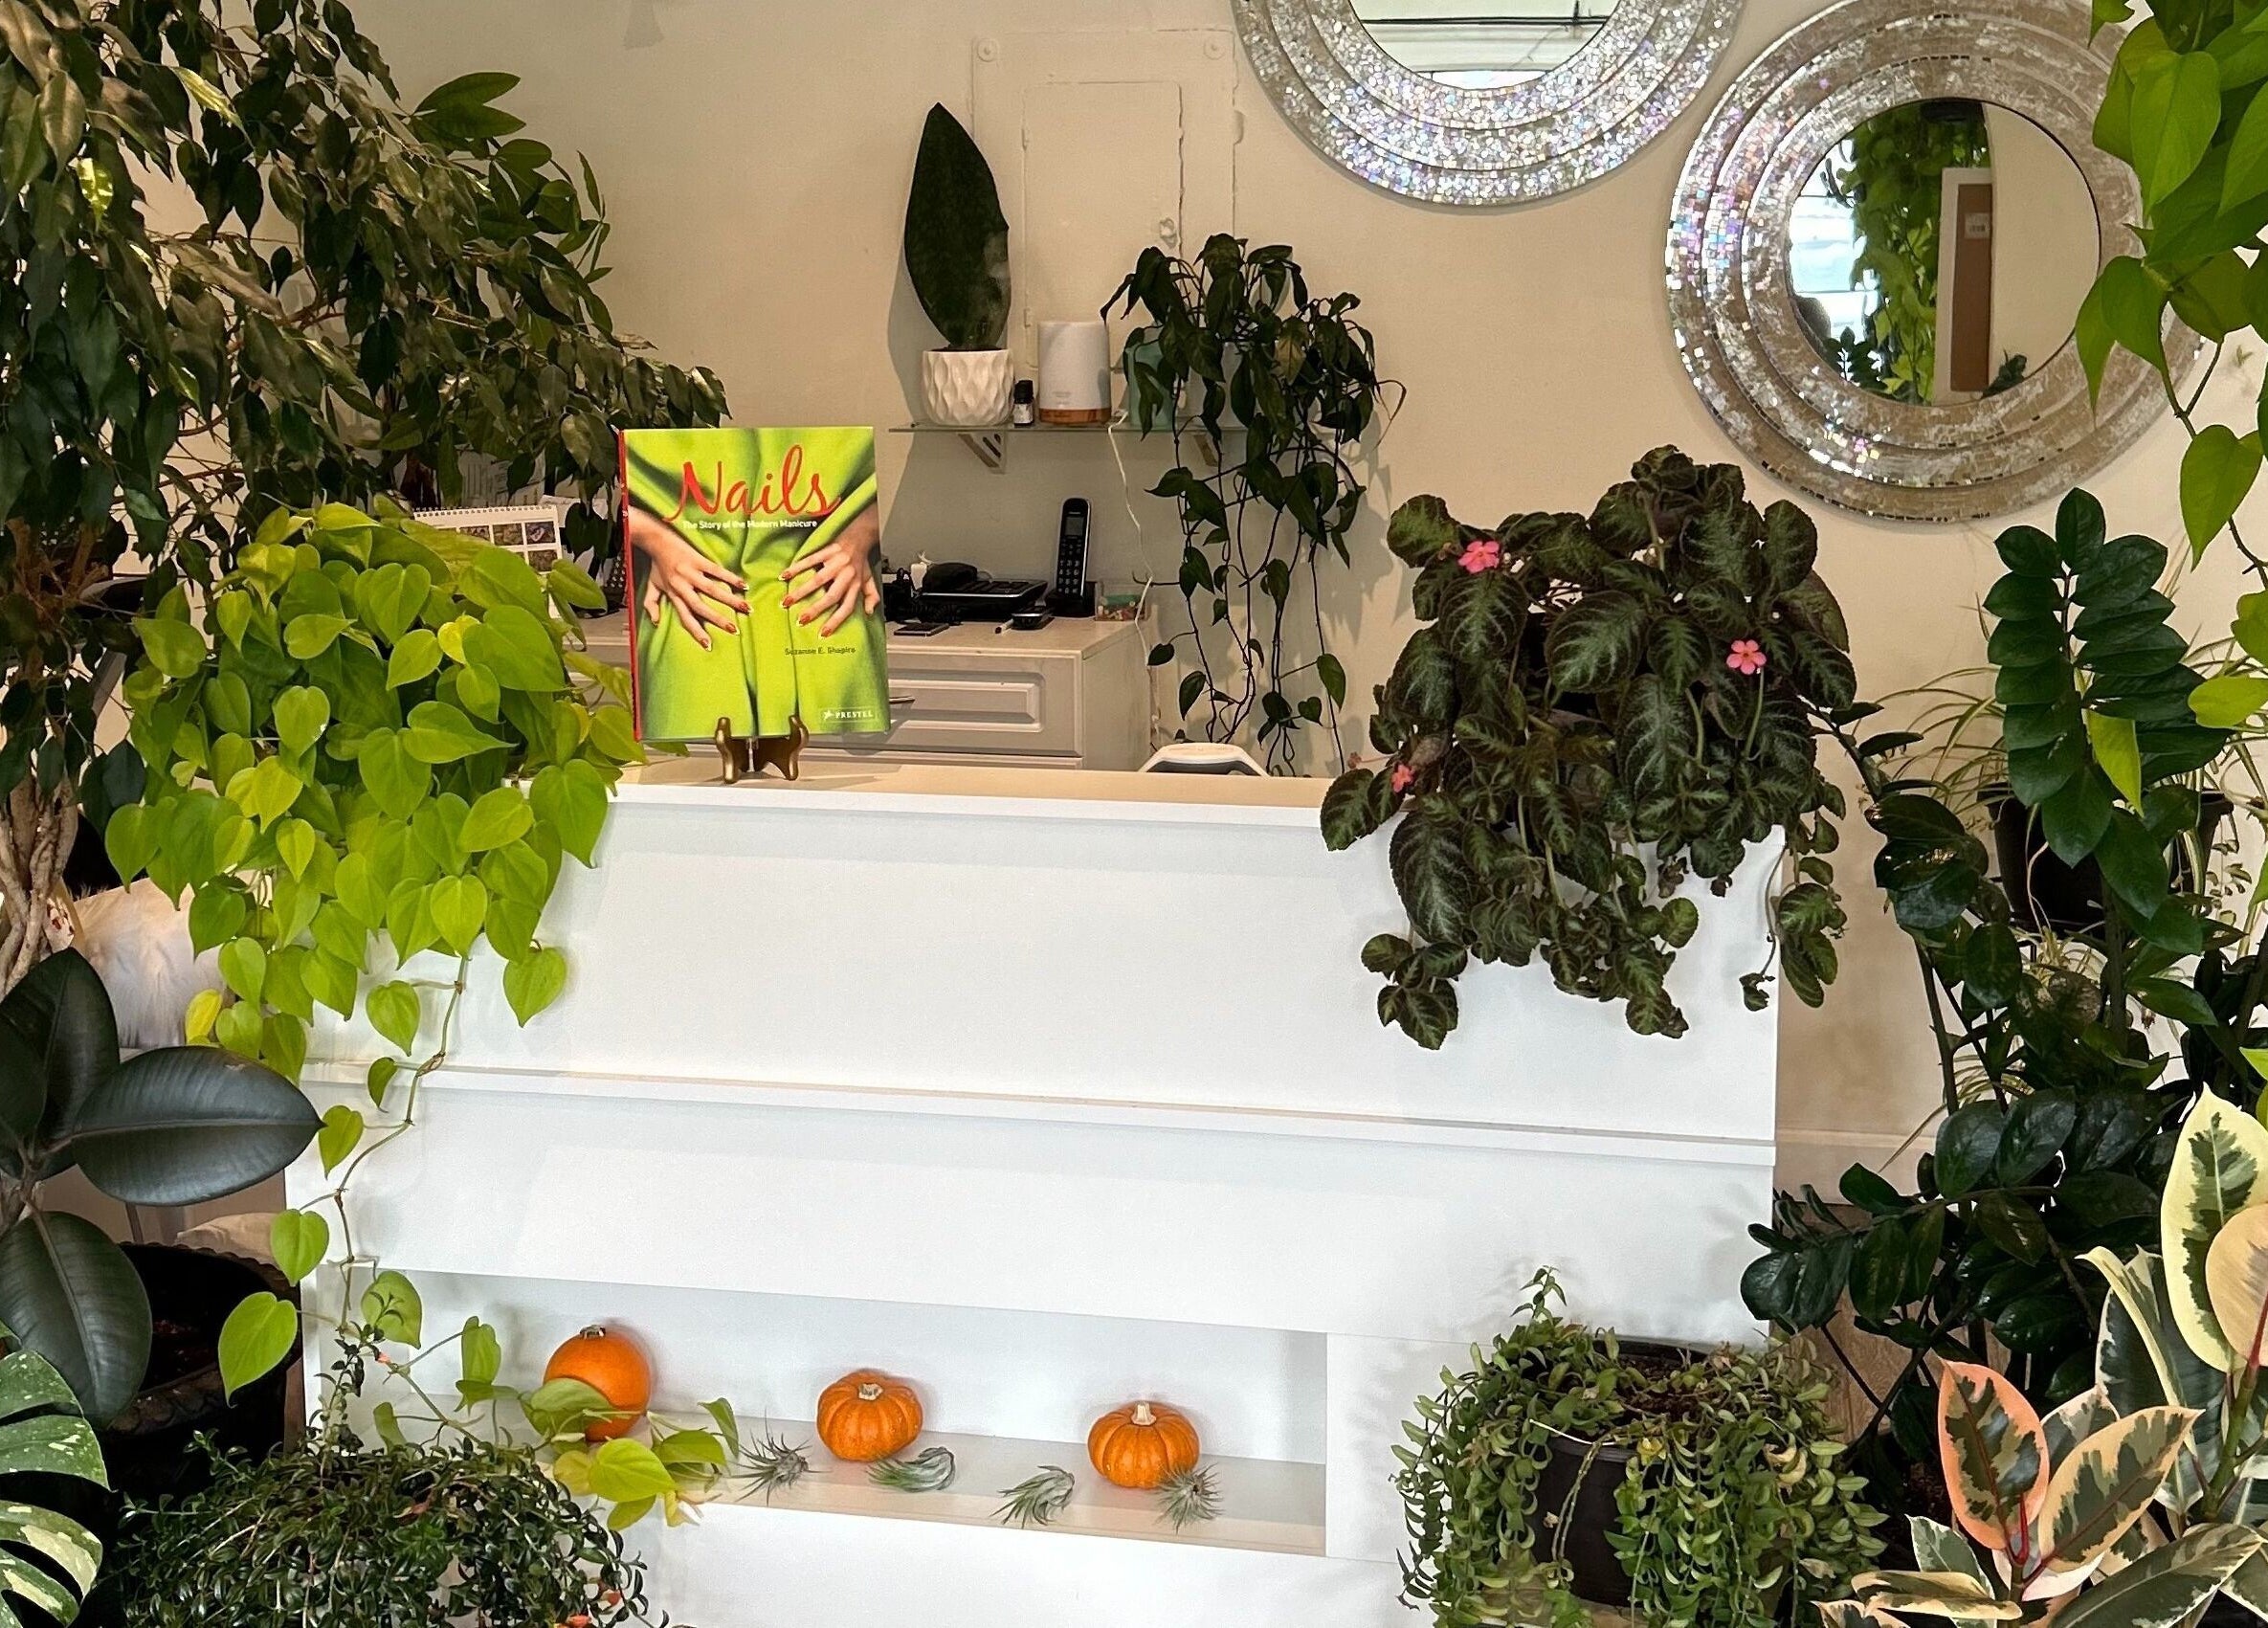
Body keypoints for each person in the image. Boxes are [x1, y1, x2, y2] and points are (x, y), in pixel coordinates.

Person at [621, 427, 889, 742]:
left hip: (830, 604)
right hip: (693, 608)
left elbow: (903, 490)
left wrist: (865, 530)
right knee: (690, 776)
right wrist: (654, 538)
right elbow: (605, 502)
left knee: (831, 774)